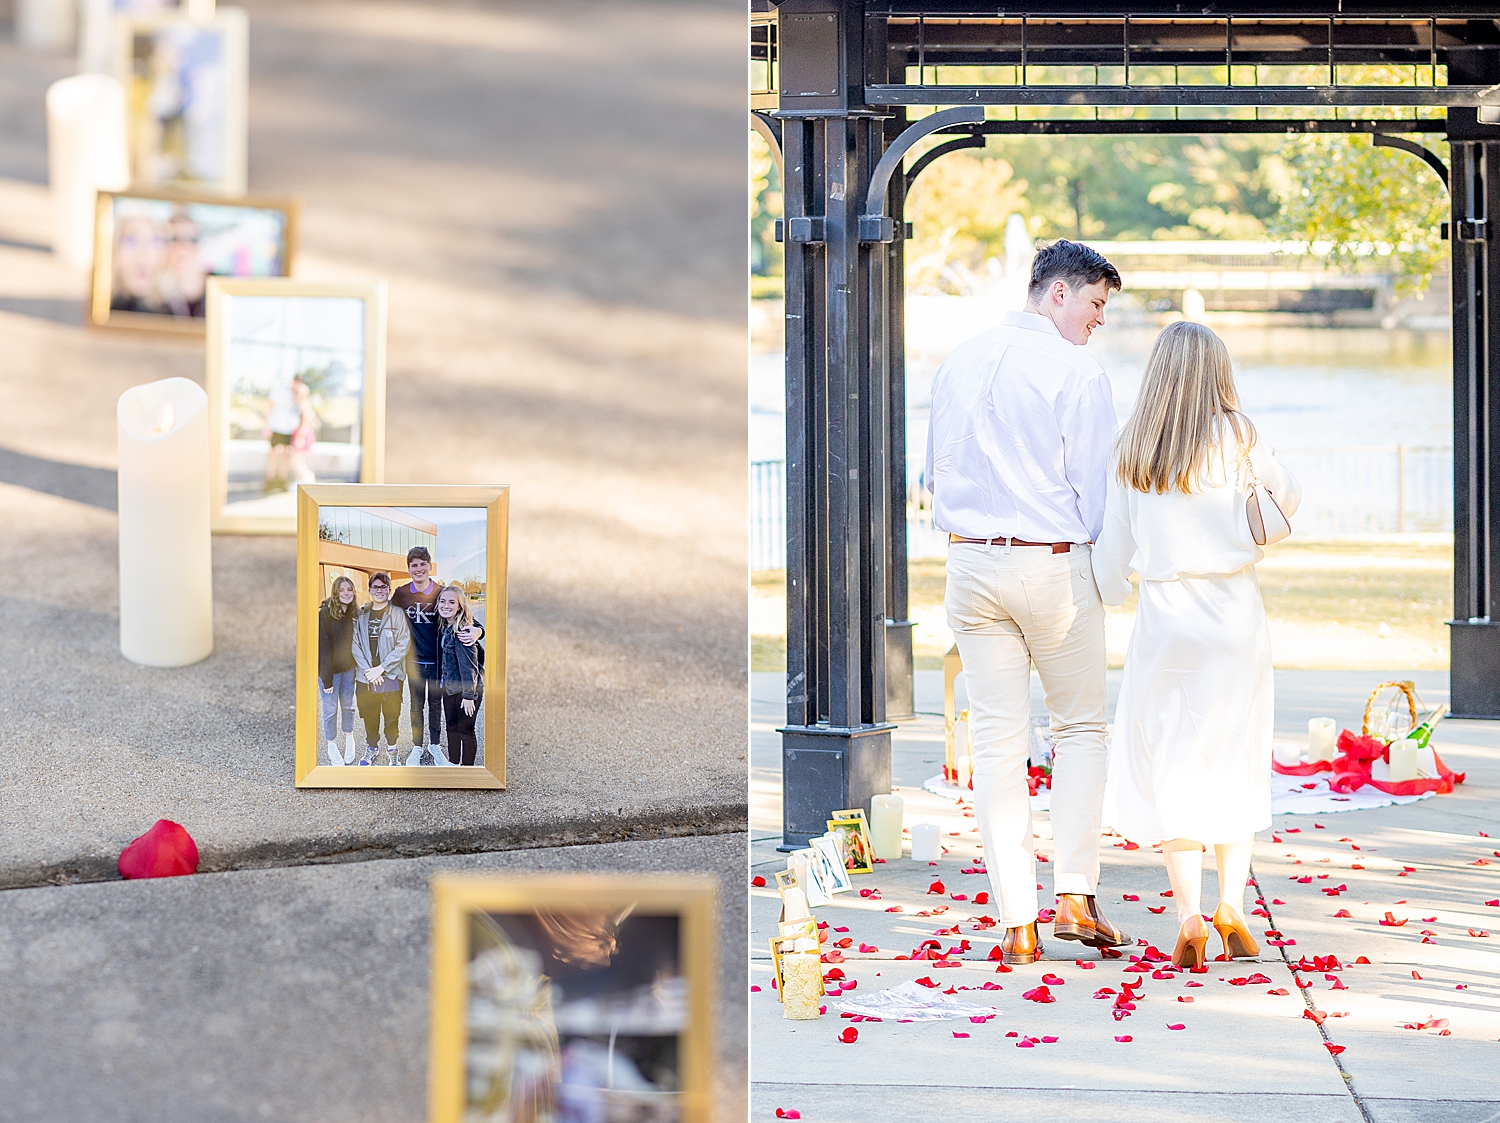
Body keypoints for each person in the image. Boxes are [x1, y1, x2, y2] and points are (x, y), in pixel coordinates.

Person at [924, 239, 1129, 965]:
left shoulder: (958, 361)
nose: (1098, 321)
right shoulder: (1076, 370)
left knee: (998, 748)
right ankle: (1074, 890)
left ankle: (1018, 922)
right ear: (1058, 294)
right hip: (1051, 567)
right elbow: (1098, 494)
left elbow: (931, 473)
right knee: (1079, 729)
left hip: (971, 566)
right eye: (1096, 305)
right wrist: (1112, 575)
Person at [1093, 321, 1301, 968]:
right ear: (1217, 372)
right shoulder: (1239, 435)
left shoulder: (1134, 449)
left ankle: (1188, 914)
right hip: (1235, 618)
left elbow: (1112, 559)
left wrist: (1107, 592)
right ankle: (1231, 903)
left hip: (1165, 621)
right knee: (1234, 754)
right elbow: (1287, 499)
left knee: (1171, 762)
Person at [392, 546, 482, 766]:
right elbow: (386, 617)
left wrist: (480, 631)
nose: (419, 569)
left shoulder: (441, 593)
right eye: (414, 565)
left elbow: (466, 618)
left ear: (430, 566)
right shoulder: (401, 594)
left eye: (423, 564)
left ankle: (434, 745)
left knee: (435, 706)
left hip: (438, 664)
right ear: (409, 568)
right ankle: (416, 746)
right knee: (415, 706)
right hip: (413, 663)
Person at [351, 571, 411, 766]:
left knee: (392, 715)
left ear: (389, 590)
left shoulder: (397, 614)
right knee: (369, 715)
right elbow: (355, 644)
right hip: (365, 677)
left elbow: (403, 643)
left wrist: (382, 669)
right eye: (375, 587)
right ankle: (372, 748)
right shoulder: (361, 614)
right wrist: (370, 671)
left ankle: (392, 750)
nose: (379, 590)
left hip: (391, 675)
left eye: (383, 587)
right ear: (369, 590)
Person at [435, 583, 484, 766]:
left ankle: (467, 770)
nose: (445, 605)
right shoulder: (444, 626)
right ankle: (454, 764)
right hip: (449, 688)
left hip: (467, 690)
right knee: (451, 728)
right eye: (442, 601)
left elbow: (469, 667)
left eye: (451, 602)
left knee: (466, 731)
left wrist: (469, 696)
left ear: (459, 606)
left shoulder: (464, 631)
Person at [318, 575, 359, 766]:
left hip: (348, 669)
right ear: (335, 592)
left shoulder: (353, 613)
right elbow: (322, 647)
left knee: (348, 706)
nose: (346, 593)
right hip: (330, 673)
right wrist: (326, 679)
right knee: (330, 709)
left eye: (349, 590)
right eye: (342, 590)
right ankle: (331, 744)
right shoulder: (325, 613)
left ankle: (349, 738)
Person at [263, 375, 305, 494]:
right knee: (273, 453)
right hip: (276, 426)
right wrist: (267, 425)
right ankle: (270, 479)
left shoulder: (298, 394)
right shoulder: (280, 391)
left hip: (289, 429)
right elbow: (269, 406)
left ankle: (282, 480)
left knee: (286, 454)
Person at [286, 377, 318, 486]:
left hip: (302, 436)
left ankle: (304, 481)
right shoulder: (298, 405)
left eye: (299, 393)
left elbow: (305, 424)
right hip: (299, 435)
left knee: (296, 461)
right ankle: (302, 480)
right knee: (298, 461)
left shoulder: (304, 406)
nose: (296, 395)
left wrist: (300, 438)